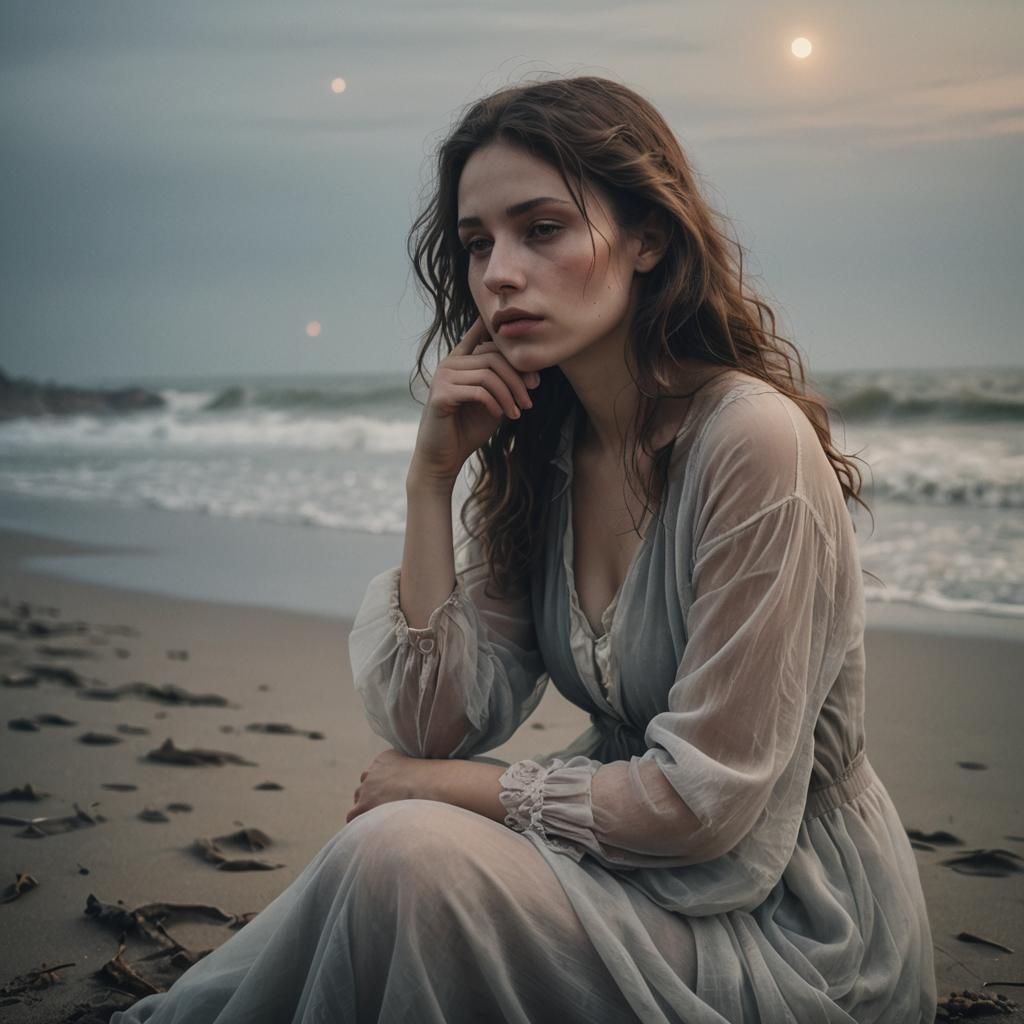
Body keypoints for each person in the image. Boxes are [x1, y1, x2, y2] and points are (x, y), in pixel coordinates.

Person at [113, 75, 937, 1023]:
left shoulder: (752, 444)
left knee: (405, 853)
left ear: (648, 237)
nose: (500, 272)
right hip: (632, 871)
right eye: (477, 244)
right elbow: (432, 722)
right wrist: (431, 482)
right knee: (398, 857)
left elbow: (703, 806)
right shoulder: (548, 454)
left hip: (795, 924)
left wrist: (448, 789)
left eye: (541, 228)